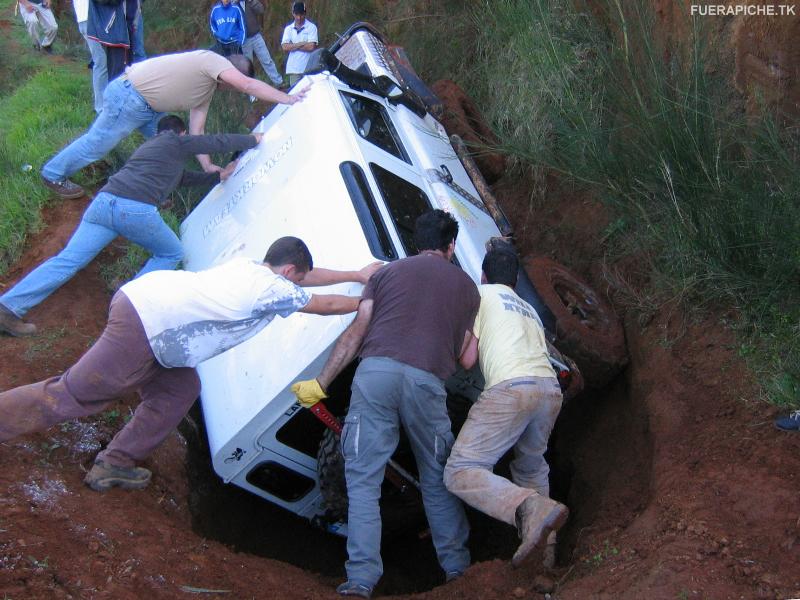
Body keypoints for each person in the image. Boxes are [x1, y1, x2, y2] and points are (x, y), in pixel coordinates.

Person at [0, 237, 381, 492]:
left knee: (179, 389)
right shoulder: (272, 286)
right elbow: (322, 304)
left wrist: (355, 275)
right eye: (297, 279)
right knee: (75, 393)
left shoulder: (252, 268)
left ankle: (114, 462)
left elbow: (307, 278)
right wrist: (369, 300)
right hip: (146, 322)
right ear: (287, 273)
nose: (299, 285)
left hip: (160, 329)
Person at [292, 210, 478, 599]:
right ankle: (459, 572)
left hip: (375, 375)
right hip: (427, 382)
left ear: (416, 242)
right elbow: (465, 359)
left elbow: (357, 332)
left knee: (362, 481)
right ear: (451, 246)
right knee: (437, 478)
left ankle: (360, 580)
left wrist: (322, 383)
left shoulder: (385, 274)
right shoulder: (467, 288)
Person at [0, 115, 259, 338]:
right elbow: (214, 142)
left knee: (67, 260)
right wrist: (252, 140)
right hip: (133, 210)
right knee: (171, 253)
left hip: (103, 204)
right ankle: (126, 309)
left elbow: (182, 178)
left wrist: (216, 176)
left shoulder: (151, 150)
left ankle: (8, 308)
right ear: (181, 133)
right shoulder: (174, 142)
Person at [443, 241, 569, 570]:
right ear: (514, 281)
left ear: (483, 276)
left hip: (512, 388)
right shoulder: (528, 310)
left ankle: (529, 507)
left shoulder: (480, 296)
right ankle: (545, 560)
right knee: (531, 468)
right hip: (549, 392)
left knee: (460, 471)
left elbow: (468, 358)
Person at [40, 50, 306, 200]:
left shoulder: (206, 91)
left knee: (170, 146)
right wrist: (288, 98)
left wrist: (206, 165)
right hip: (130, 97)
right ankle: (53, 174)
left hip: (147, 108)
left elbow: (195, 133)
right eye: (234, 81)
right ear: (230, 72)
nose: (234, 88)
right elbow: (247, 84)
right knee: (97, 144)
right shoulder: (210, 60)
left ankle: (154, 192)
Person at [72, 0, 107, 113]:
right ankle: (101, 107)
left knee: (100, 60)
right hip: (90, 18)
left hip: (88, 18)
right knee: (101, 61)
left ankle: (102, 102)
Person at [238, 0, 283, 87]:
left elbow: (261, 10)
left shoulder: (250, 1)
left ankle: (279, 82)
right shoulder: (233, 4)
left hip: (256, 35)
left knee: (267, 60)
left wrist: (251, 1)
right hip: (244, 40)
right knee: (248, 66)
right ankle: (252, 93)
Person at [280, 1, 318, 88]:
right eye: (297, 15)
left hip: (309, 68)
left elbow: (311, 47)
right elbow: (284, 47)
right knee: (295, 94)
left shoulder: (311, 27)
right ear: (293, 14)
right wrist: (301, 44)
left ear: (305, 13)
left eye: (301, 15)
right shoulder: (288, 29)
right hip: (293, 69)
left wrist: (293, 46)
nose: (299, 17)